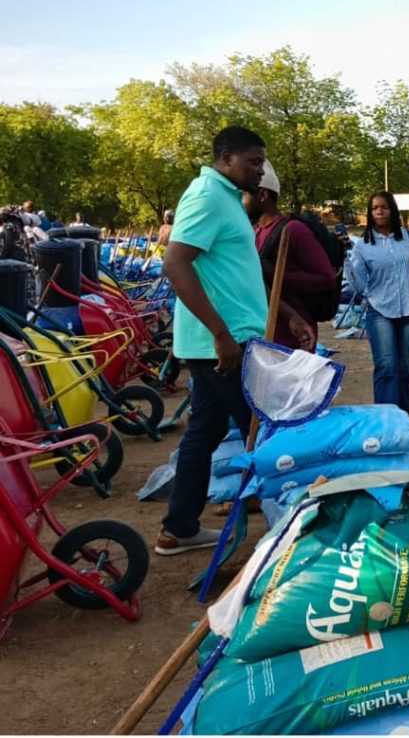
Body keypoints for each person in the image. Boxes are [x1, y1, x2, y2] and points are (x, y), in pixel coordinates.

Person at [156, 126, 314, 555]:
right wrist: (220, 334)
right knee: (267, 431)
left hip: (232, 339)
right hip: (224, 345)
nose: (261, 171)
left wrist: (288, 315)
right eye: (254, 162)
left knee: (204, 433)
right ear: (226, 158)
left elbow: (236, 274)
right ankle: (296, 536)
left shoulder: (228, 200)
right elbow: (175, 264)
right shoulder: (207, 197)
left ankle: (179, 527)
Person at [346, 190, 409, 415]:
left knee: (405, 366)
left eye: (384, 207)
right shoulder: (363, 245)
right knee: (386, 366)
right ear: (370, 212)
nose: (380, 211)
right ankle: (385, 418)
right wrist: (348, 264)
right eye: (375, 208)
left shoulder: (408, 237)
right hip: (380, 312)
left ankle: (403, 417)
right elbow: (359, 285)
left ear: (392, 210)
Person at [243, 160, 337, 351]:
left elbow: (326, 278)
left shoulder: (293, 230)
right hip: (263, 329)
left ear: (263, 195)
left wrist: (277, 275)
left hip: (294, 333)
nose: (240, 200)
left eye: (244, 194)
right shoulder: (253, 230)